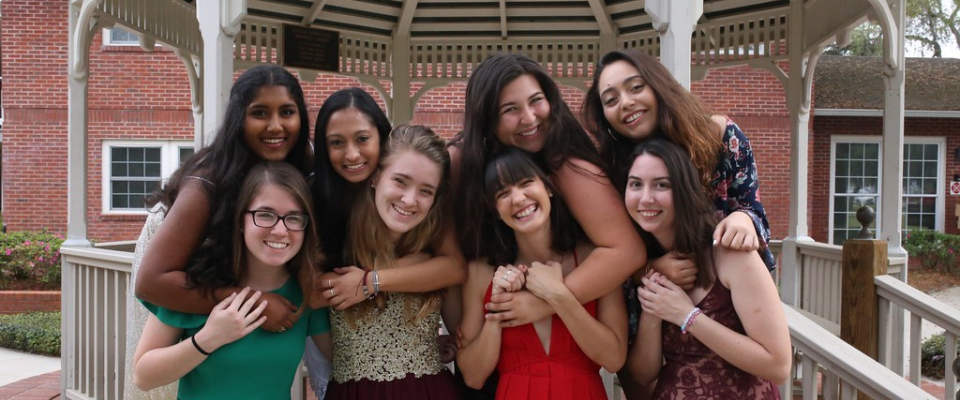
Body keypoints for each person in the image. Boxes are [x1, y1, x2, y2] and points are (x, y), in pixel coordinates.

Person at [582, 50, 775, 397]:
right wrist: (646, 269)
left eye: (635, 87)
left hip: (722, 279)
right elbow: (609, 243)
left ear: (658, 86)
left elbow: (754, 210)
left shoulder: (717, 135)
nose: (625, 103)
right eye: (610, 99)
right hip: (653, 292)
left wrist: (745, 219)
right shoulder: (612, 168)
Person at [125, 64, 312, 399]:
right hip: (173, 275)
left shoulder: (300, 159)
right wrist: (256, 303)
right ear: (239, 119)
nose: (276, 125)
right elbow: (150, 282)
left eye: (287, 111)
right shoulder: (206, 183)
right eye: (259, 113)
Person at [451, 52, 644, 327]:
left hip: (573, 319)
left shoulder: (567, 167)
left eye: (535, 101)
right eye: (510, 110)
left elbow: (627, 251)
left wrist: (544, 302)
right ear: (487, 119)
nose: (529, 118)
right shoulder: (466, 164)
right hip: (495, 328)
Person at [310, 87, 465, 398]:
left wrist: (372, 280)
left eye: (426, 190)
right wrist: (417, 265)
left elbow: (454, 268)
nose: (410, 200)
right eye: (400, 181)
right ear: (376, 176)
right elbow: (312, 294)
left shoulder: (432, 230)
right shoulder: (331, 217)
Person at [133, 162, 331, 399]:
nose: (280, 230)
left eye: (294, 218)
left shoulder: (305, 292)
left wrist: (373, 281)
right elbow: (143, 376)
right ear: (240, 221)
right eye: (265, 215)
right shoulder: (200, 283)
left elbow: (345, 361)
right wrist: (208, 338)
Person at [624, 139, 790, 400]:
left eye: (661, 184)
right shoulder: (640, 264)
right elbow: (643, 376)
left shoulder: (729, 253)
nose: (645, 198)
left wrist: (687, 316)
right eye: (635, 184)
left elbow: (778, 365)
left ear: (684, 190)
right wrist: (654, 314)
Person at [458, 149, 627, 400]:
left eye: (526, 183)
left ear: (549, 187)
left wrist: (558, 296)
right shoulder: (480, 273)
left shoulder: (595, 259)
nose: (517, 198)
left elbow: (613, 359)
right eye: (503, 193)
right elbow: (473, 377)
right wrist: (496, 309)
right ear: (494, 209)